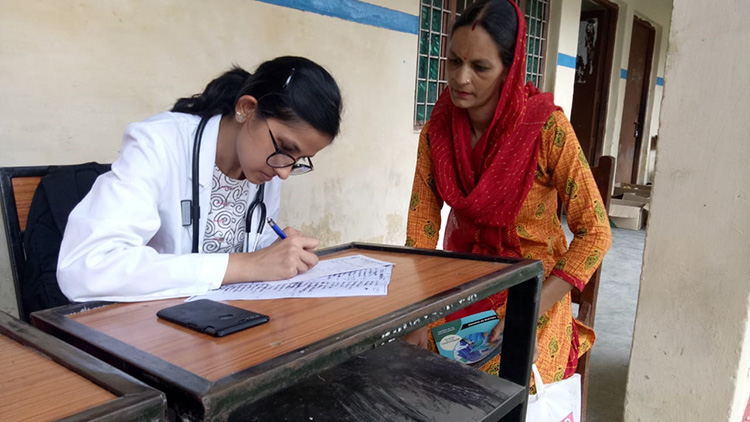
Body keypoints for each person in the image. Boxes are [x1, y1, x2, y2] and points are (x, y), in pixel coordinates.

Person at [403, 0, 611, 386]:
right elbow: (422, 226)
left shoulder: (546, 128)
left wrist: (529, 312)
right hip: (463, 279)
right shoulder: (439, 128)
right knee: (409, 362)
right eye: (453, 62)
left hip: (533, 289)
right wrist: (420, 314)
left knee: (499, 377)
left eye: (480, 67)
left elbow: (596, 232)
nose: (461, 79)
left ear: (509, 69)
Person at [57, 56, 342, 302]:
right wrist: (245, 265)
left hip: (227, 329)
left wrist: (278, 253)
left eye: (298, 159)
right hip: (149, 333)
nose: (284, 172)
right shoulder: (160, 143)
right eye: (284, 147)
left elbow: (254, 257)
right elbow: (88, 267)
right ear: (246, 109)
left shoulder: (268, 168)